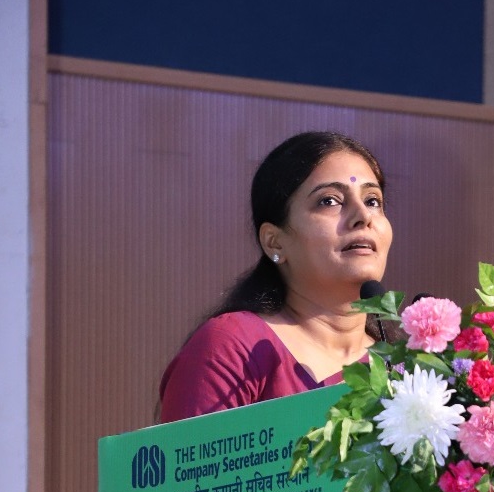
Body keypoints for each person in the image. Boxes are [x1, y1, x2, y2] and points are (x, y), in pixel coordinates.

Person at [159, 130, 392, 421]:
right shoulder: (234, 347)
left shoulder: (406, 372)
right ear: (274, 242)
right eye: (329, 201)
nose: (363, 216)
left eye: (373, 201)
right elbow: (195, 453)